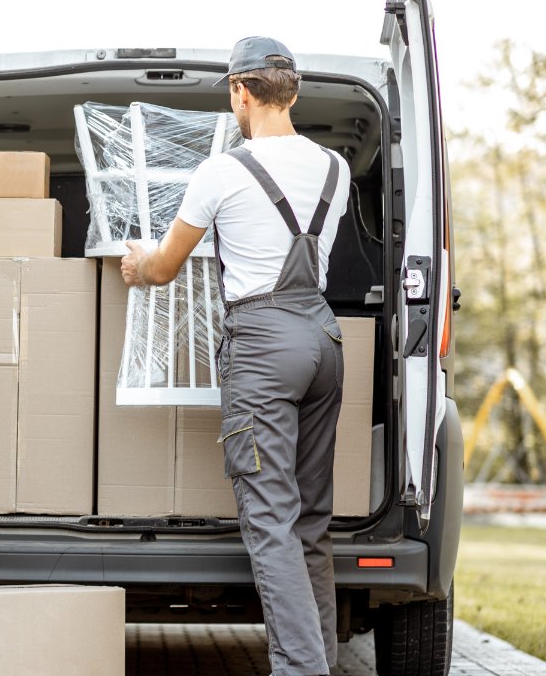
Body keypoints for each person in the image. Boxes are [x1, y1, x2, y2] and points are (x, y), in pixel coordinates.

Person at [121, 37, 349, 676]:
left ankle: (301, 670)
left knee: (271, 520)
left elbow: (165, 267)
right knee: (309, 522)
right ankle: (318, 662)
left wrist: (138, 265)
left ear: (240, 93)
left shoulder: (222, 171)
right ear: (293, 93)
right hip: (324, 342)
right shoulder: (335, 167)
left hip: (264, 346)